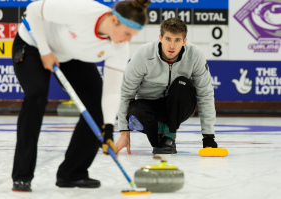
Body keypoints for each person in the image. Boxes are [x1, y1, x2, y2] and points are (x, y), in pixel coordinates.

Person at [11, 0, 150, 192]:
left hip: (69, 55)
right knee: (36, 96)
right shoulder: (83, 11)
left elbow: (111, 91)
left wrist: (108, 129)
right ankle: (22, 175)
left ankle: (72, 173)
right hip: (34, 44)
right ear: (114, 20)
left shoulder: (119, 47)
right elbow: (33, 10)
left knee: (97, 104)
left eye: (132, 36)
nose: (127, 40)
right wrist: (45, 51)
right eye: (127, 33)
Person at [115, 18, 217, 155]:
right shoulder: (144, 54)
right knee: (134, 116)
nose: (172, 46)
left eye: (177, 40)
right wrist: (124, 132)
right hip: (150, 104)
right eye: (168, 39)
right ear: (160, 38)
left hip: (179, 105)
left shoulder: (195, 55)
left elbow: (205, 94)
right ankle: (161, 136)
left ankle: (169, 134)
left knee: (182, 83)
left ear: (184, 41)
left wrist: (208, 136)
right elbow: (126, 93)